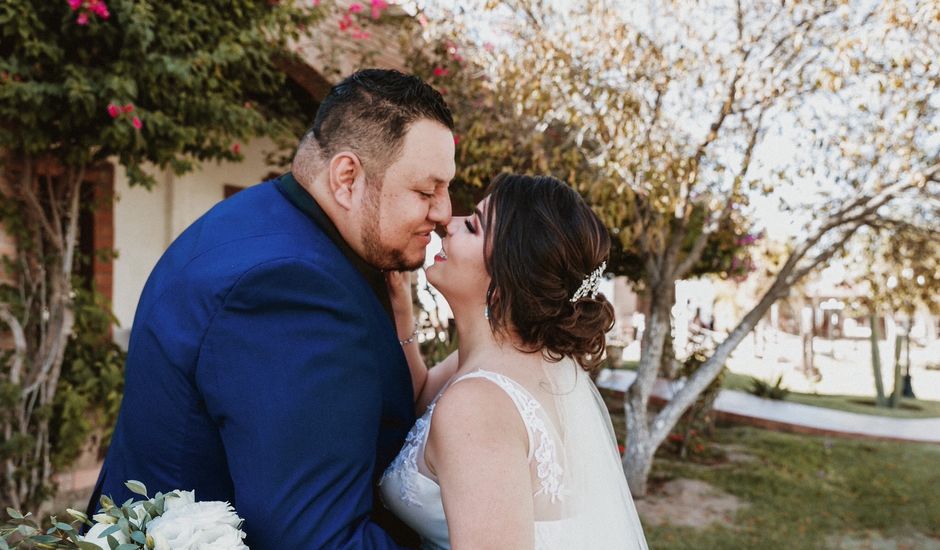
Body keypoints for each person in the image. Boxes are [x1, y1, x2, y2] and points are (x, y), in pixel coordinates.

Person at [89, 69, 456, 549]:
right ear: (347, 178)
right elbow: (317, 539)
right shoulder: (293, 289)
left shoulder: (258, 218)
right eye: (426, 192)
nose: (445, 212)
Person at [380, 174, 649, 549]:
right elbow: (423, 396)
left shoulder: (477, 406)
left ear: (504, 280)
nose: (448, 223)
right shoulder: (517, 360)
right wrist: (402, 316)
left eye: (472, 226)